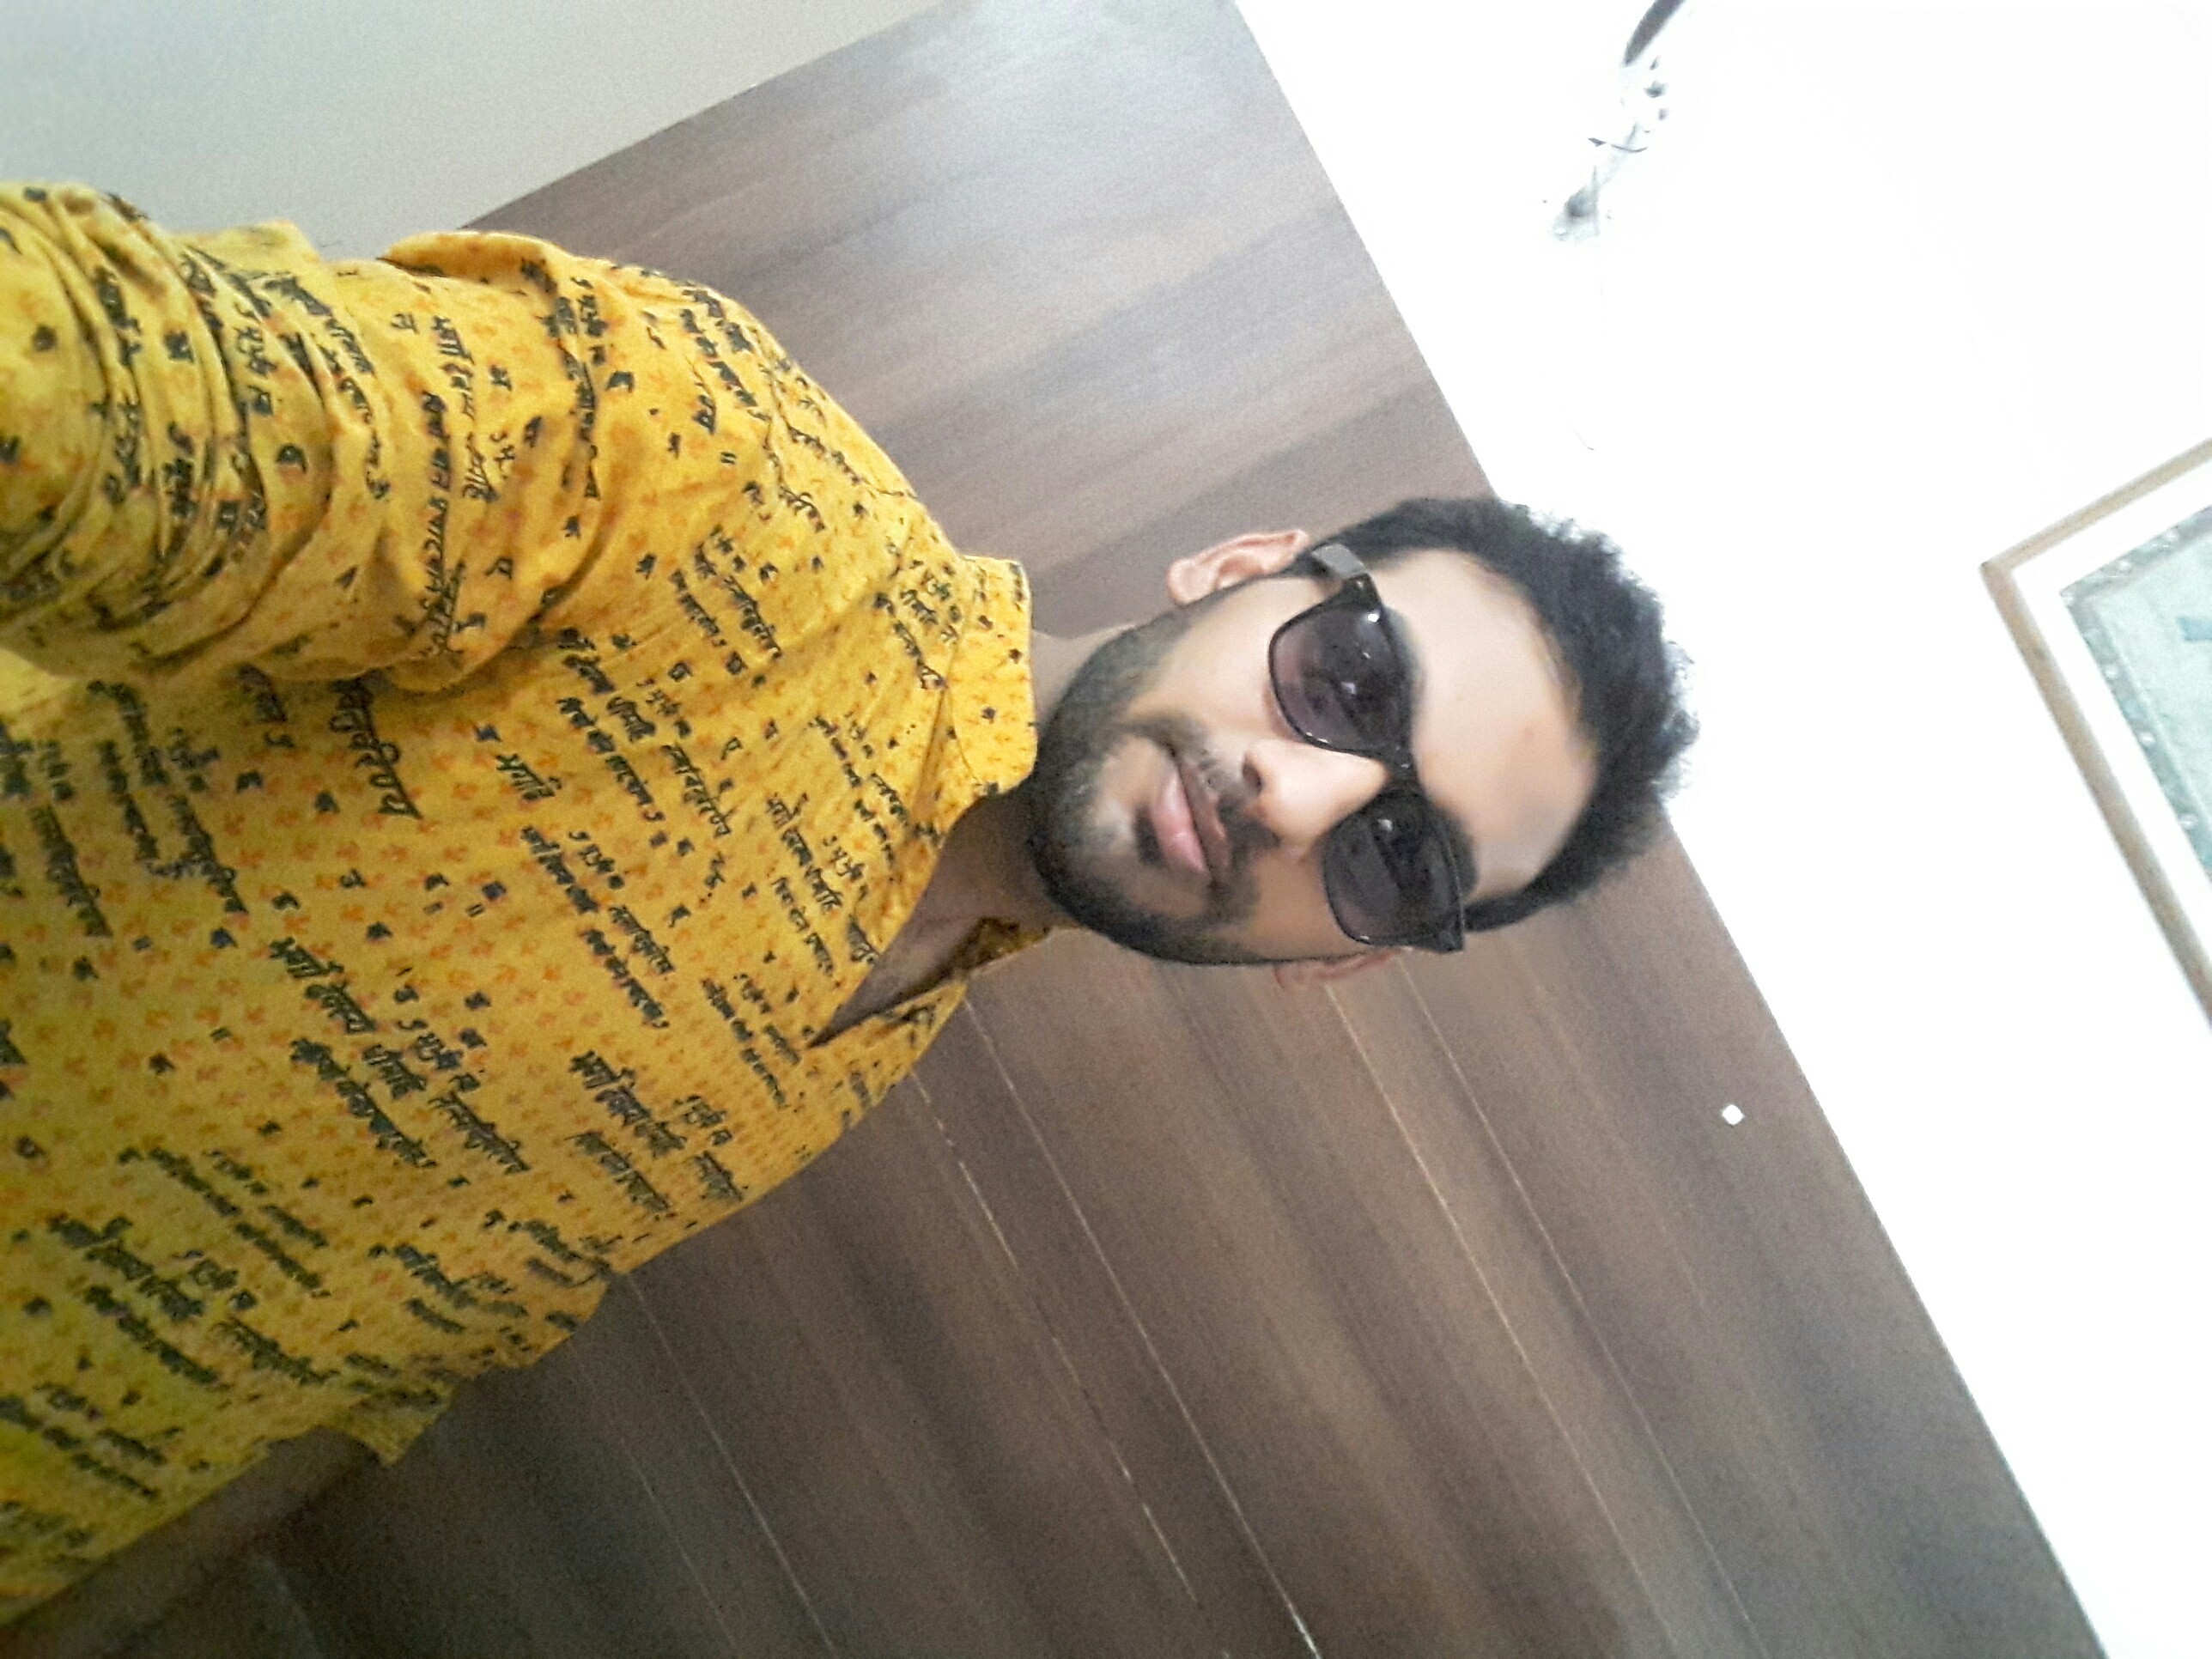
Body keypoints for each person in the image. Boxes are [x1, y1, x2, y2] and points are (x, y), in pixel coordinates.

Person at [0, 184, 1693, 1616]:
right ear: (1243, 569)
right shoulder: (703, 477)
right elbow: (93, 391)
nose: (1299, 794)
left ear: (1344, 965)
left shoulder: (893, 1020)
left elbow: (389, 1357)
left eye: (1401, 858)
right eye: (1351, 678)